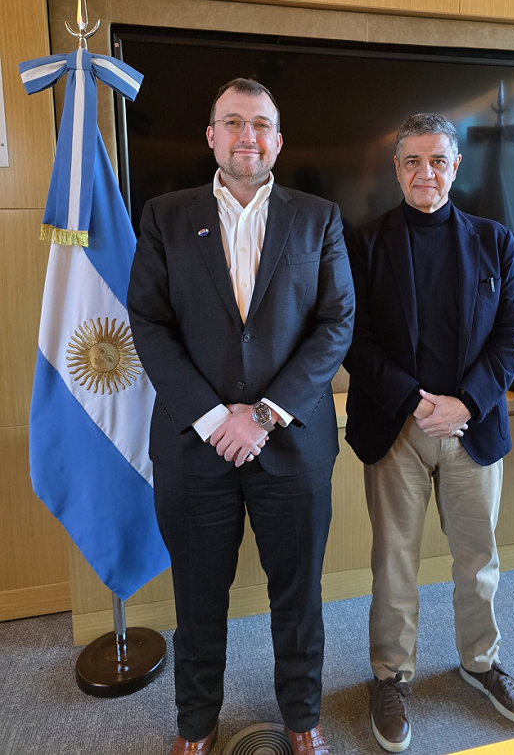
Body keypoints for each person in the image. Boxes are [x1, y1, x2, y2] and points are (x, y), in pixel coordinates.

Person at [128, 78, 355, 755]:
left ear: (277, 141)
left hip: (292, 443)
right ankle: (195, 726)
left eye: (259, 124)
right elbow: (149, 323)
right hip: (193, 448)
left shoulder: (319, 217)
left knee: (298, 598)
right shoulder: (165, 216)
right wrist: (212, 416)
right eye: (232, 122)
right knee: (198, 599)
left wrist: (261, 415)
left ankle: (302, 718)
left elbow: (335, 322)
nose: (246, 136)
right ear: (211, 136)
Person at [343, 113, 514, 753]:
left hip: (471, 428)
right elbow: (353, 338)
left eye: (437, 161)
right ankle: (391, 676)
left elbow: (512, 332)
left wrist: (467, 403)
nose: (425, 172)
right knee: (393, 561)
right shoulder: (364, 242)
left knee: (478, 559)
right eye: (412, 161)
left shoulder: (494, 240)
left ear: (455, 167)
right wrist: (412, 400)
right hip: (394, 425)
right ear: (397, 169)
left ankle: (481, 663)